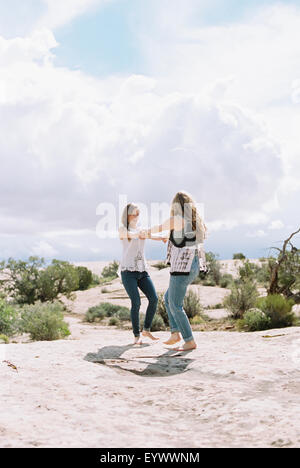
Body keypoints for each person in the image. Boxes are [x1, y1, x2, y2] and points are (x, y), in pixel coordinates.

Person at [140, 191, 208, 351]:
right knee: (168, 298)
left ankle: (189, 340)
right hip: (193, 265)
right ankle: (175, 333)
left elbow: (160, 227)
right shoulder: (193, 222)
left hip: (182, 268)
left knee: (175, 305)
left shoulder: (177, 219)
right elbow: (171, 235)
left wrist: (146, 232)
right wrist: (155, 236)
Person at [119, 203, 168, 345]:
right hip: (128, 272)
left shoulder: (141, 230)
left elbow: (152, 235)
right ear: (127, 215)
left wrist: (163, 237)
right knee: (136, 302)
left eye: (138, 213)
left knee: (154, 299)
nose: (136, 216)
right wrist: (138, 234)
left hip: (142, 271)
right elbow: (127, 234)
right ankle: (136, 335)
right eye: (134, 213)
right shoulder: (123, 229)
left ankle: (146, 329)